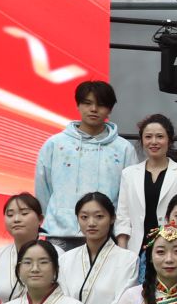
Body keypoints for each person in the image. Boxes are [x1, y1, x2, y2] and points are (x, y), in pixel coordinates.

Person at [35, 80, 136, 251]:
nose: (93, 109)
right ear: (78, 105)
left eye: (101, 104)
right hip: (60, 234)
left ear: (110, 109)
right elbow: (43, 189)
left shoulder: (123, 149)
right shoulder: (55, 144)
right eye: (87, 103)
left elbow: (127, 196)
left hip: (106, 235)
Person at [115, 114, 177, 248]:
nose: (154, 142)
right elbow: (123, 217)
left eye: (160, 136)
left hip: (171, 247)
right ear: (142, 140)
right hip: (136, 249)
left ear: (169, 140)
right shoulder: (129, 174)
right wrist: (122, 251)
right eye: (148, 137)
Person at [0, 193, 45, 304]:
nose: (16, 219)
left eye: (24, 213)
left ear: (40, 219)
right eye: (10, 215)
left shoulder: (58, 255)